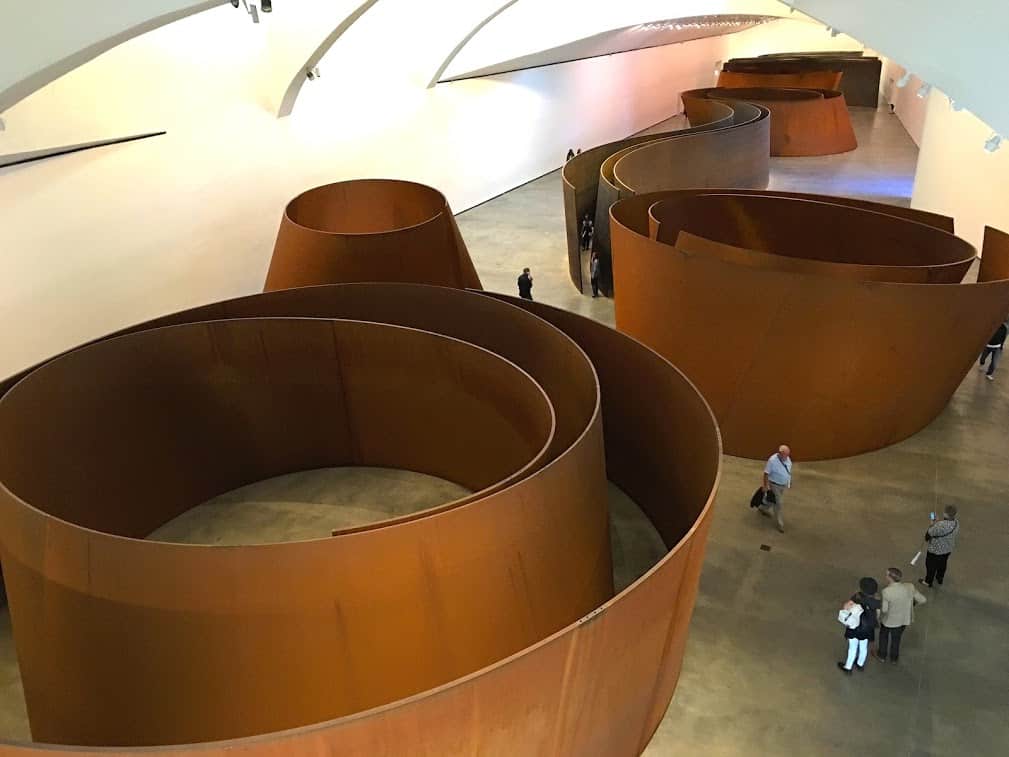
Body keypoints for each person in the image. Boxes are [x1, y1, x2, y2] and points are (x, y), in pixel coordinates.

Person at [877, 567, 926, 664]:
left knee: (884, 637)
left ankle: (882, 655)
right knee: (896, 639)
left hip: (889, 621)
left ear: (890, 578)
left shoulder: (887, 591)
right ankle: (894, 658)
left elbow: (885, 609)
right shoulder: (909, 586)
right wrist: (912, 604)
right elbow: (923, 599)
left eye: (886, 574)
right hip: (904, 620)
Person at [837, 577, 880, 674]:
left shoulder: (857, 597)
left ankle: (848, 667)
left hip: (855, 627)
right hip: (867, 628)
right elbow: (877, 614)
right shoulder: (876, 602)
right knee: (863, 646)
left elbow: (846, 607)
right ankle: (860, 664)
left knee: (852, 647)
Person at [919, 505, 959, 587]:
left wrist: (932, 524)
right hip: (947, 549)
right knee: (942, 564)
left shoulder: (939, 525)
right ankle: (940, 578)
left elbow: (927, 536)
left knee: (930, 566)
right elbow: (945, 528)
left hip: (935, 551)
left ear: (945, 514)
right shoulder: (956, 523)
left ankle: (928, 582)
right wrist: (938, 523)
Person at [758, 444, 791, 533]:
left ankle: (763, 508)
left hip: (782, 485)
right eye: (785, 455)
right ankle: (780, 524)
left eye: (788, 455)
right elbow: (766, 473)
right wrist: (765, 486)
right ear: (780, 453)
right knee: (779, 503)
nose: (787, 457)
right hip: (774, 485)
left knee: (773, 500)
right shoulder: (772, 461)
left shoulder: (787, 459)